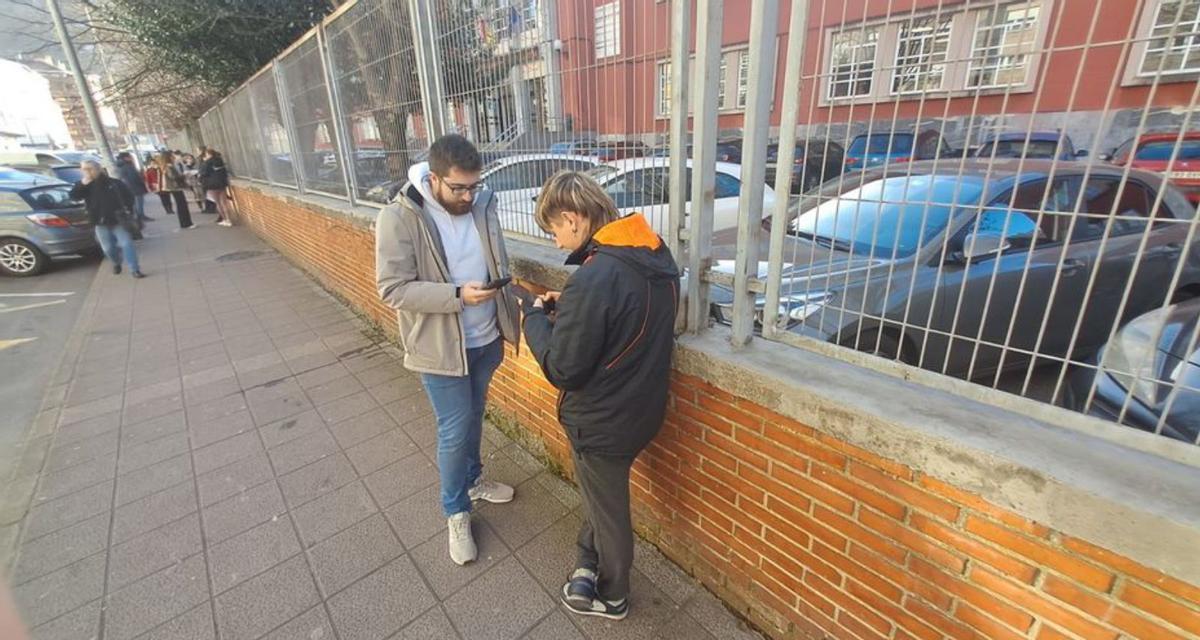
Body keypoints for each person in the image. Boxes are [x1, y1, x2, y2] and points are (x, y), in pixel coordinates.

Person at [522, 171, 679, 621]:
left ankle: (612, 594)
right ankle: (586, 559)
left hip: (602, 421)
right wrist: (570, 305)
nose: (555, 243)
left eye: (554, 231)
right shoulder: (652, 253)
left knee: (609, 511)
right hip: (641, 411)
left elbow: (564, 368)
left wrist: (536, 318)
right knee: (602, 495)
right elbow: (620, 319)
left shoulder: (595, 278)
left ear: (572, 219)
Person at [375, 134, 521, 566]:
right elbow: (392, 288)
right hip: (440, 349)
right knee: (454, 429)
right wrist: (457, 295)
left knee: (475, 415)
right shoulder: (400, 217)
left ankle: (473, 479)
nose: (468, 195)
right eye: (458, 188)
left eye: (474, 186)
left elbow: (497, 259)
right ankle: (455, 511)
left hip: (486, 338)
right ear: (434, 178)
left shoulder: (483, 203)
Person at [70, 160, 144, 278]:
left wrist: (128, 209)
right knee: (108, 248)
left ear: (98, 169)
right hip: (99, 222)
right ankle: (116, 262)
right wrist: (83, 184)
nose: (88, 172)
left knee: (126, 243)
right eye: (84, 169)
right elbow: (74, 196)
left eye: (90, 169)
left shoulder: (114, 183)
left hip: (118, 220)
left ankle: (134, 269)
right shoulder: (84, 185)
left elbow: (129, 196)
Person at [147, 151, 194, 229]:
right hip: (175, 187)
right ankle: (186, 223)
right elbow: (173, 177)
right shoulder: (169, 166)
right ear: (168, 157)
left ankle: (185, 223)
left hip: (172, 187)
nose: (174, 157)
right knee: (182, 205)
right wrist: (183, 175)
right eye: (172, 156)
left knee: (181, 204)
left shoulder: (165, 166)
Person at [114, 151, 152, 223]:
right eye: (130, 157)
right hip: (135, 187)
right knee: (139, 203)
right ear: (126, 158)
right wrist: (141, 182)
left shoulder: (121, 166)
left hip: (129, 187)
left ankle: (139, 216)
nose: (131, 158)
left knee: (136, 203)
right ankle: (140, 217)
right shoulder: (128, 166)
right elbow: (134, 177)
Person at [199, 149, 233, 226]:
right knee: (224, 202)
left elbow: (203, 174)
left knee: (218, 203)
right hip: (222, 184)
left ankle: (224, 219)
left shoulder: (206, 163)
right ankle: (229, 219)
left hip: (212, 185)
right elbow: (224, 172)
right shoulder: (220, 161)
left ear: (208, 154)